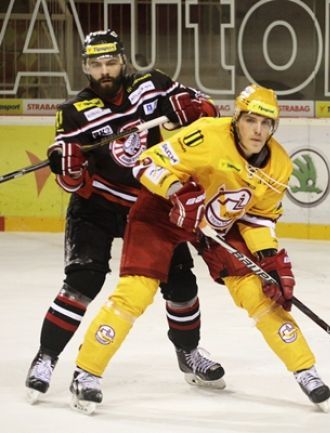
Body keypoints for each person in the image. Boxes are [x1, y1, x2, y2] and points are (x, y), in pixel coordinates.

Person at [67, 83, 330, 413]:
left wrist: (269, 259)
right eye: (251, 121)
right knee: (135, 292)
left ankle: (306, 370)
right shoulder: (206, 134)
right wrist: (177, 189)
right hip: (162, 212)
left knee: (258, 292)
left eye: (266, 124)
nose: (258, 130)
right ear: (237, 118)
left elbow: (258, 218)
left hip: (216, 223)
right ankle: (86, 373)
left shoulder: (279, 167)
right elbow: (146, 162)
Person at [25, 29, 224, 403]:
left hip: (150, 204)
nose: (105, 71)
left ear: (123, 60)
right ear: (85, 66)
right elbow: (71, 182)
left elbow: (211, 114)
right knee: (82, 281)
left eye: (111, 62)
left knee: (181, 284)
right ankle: (46, 357)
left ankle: (189, 354)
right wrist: (67, 169)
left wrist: (195, 111)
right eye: (96, 64)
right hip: (97, 206)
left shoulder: (153, 85)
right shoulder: (72, 113)